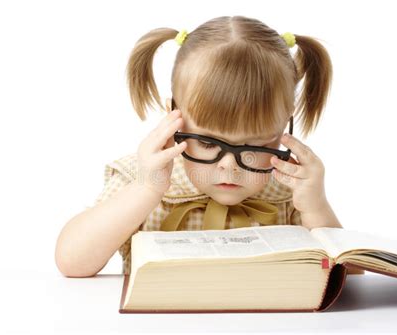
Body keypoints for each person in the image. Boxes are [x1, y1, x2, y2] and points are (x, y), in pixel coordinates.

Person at [55, 15, 350, 278]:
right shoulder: (144, 175)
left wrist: (316, 205)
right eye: (208, 142)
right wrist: (146, 189)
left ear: (284, 128)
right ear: (175, 117)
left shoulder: (288, 191)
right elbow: (72, 262)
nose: (229, 166)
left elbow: (349, 274)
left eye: (255, 146)